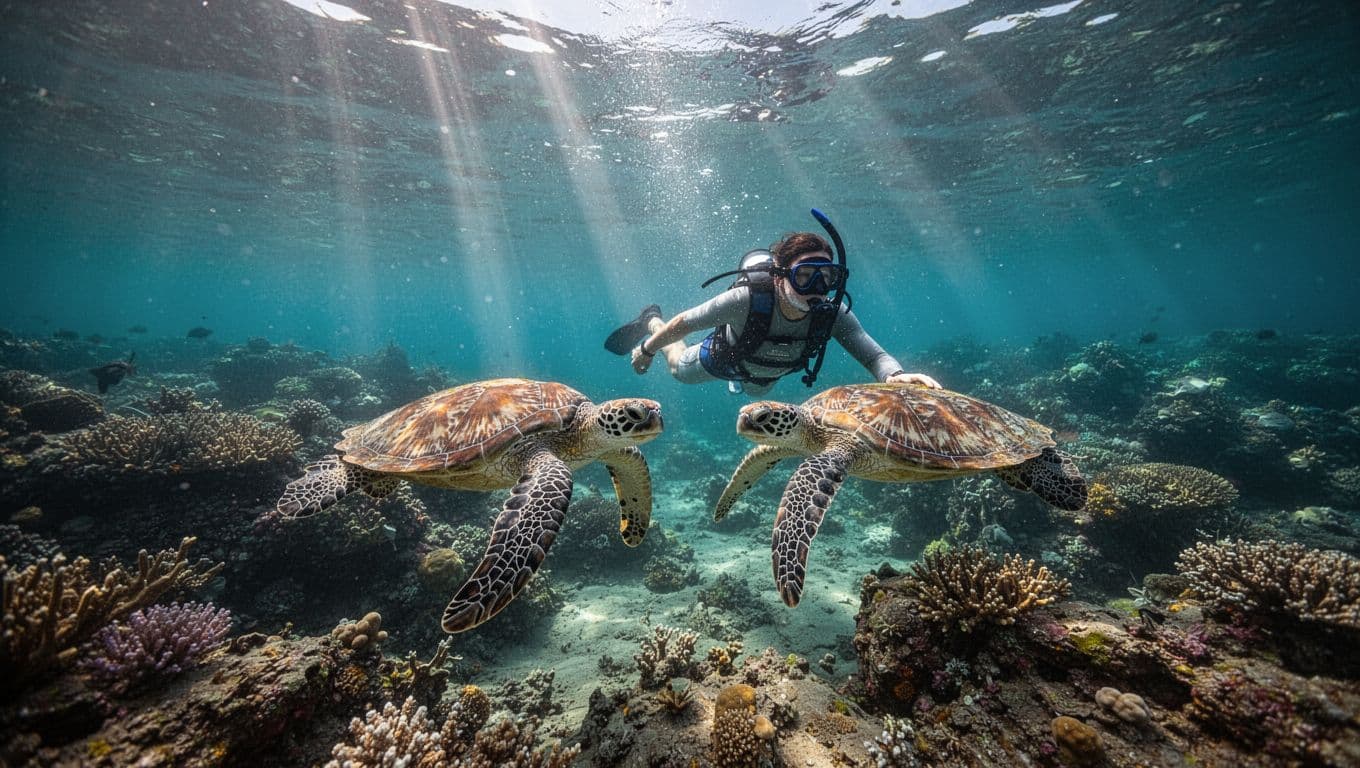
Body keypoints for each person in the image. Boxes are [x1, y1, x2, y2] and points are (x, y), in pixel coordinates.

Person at [605, 224, 939, 396]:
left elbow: (874, 357)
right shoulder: (746, 300)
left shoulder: (832, 314)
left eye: (826, 278)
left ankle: (741, 384)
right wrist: (648, 351)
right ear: (780, 277)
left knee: (754, 392)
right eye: (805, 277)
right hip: (724, 358)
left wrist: (895, 377)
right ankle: (650, 320)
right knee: (678, 370)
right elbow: (685, 322)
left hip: (767, 375)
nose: (817, 289)